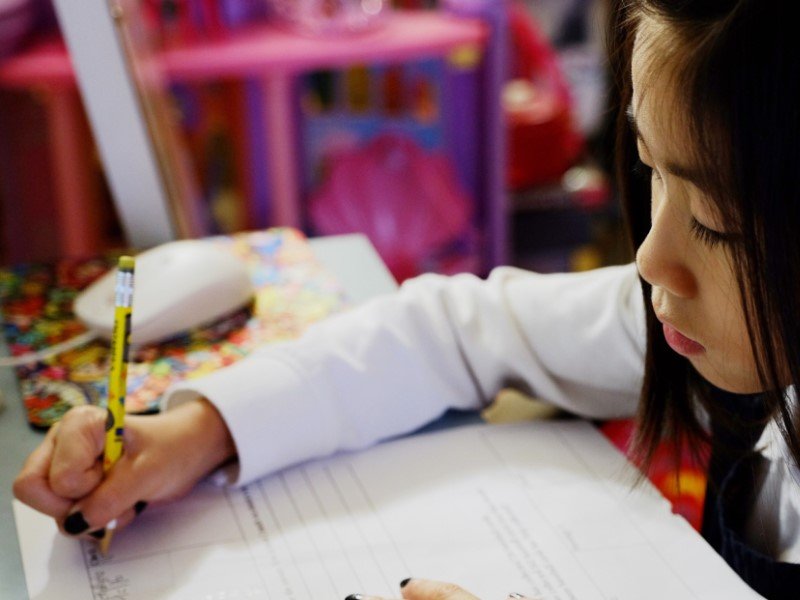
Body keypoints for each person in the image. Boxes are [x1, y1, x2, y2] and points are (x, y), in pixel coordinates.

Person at [13, 0, 800, 598]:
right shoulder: (704, 330)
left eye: (716, 225)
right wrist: (199, 430)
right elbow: (458, 331)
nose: (651, 258)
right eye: (650, 170)